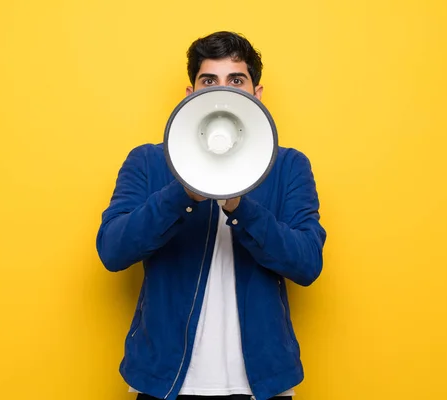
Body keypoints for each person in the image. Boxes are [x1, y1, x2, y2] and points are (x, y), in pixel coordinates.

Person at [96, 31, 327, 400]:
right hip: (162, 382)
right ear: (191, 94)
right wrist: (182, 191)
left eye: (236, 80)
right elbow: (112, 250)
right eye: (209, 81)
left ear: (256, 94)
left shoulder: (289, 166)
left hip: (262, 385)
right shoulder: (148, 161)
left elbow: (307, 263)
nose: (224, 91)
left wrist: (241, 207)